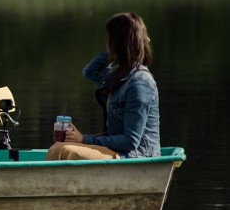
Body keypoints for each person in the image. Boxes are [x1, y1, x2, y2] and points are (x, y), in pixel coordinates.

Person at [46, 12, 160, 161]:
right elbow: (89, 71)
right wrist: (122, 48)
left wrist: (84, 140)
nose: (107, 44)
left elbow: (130, 142)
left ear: (117, 43)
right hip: (118, 150)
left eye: (110, 40)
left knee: (64, 151)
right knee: (58, 146)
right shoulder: (117, 75)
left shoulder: (140, 83)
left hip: (136, 155)